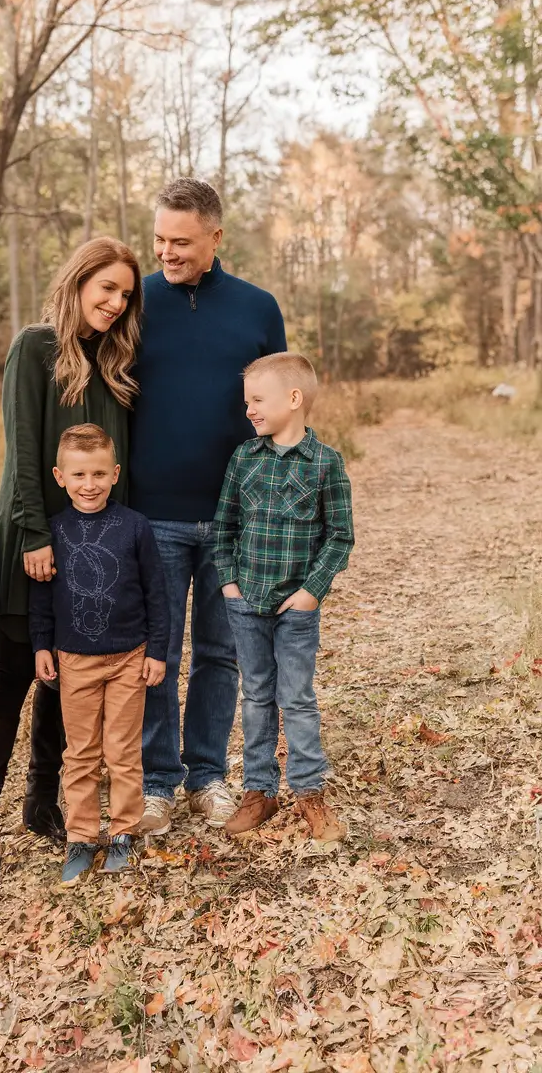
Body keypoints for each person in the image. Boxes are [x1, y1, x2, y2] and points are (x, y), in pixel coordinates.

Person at [0, 238, 143, 879]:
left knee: (64, 679)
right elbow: (21, 452)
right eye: (106, 288)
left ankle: (41, 801)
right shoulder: (36, 347)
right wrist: (35, 535)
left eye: (126, 295)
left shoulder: (117, 362)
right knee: (14, 677)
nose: (115, 303)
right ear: (77, 283)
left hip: (95, 550)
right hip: (33, 540)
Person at [129, 178, 287, 835]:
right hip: (153, 514)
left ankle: (206, 776)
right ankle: (156, 784)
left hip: (234, 518)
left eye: (182, 242)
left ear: (216, 237)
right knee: (158, 654)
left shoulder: (257, 308)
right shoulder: (132, 302)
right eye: (159, 239)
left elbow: (280, 410)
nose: (167, 252)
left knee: (220, 653)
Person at [212, 352, 354, 841]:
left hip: (297, 608)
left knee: (296, 698)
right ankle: (259, 792)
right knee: (256, 696)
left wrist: (312, 591)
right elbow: (224, 526)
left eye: (257, 400)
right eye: (246, 401)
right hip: (246, 602)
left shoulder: (325, 463)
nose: (248, 409)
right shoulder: (244, 458)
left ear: (294, 399)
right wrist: (229, 583)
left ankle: (309, 794)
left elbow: (340, 537)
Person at [30, 424, 169, 884]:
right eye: (78, 475)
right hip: (74, 660)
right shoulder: (54, 531)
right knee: (81, 753)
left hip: (130, 656)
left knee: (123, 752)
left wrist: (157, 651)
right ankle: (81, 837)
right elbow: (41, 597)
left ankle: (123, 832)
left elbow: (157, 594)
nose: (89, 485)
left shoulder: (135, 526)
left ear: (115, 473)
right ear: (59, 476)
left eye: (98, 474)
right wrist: (41, 645)